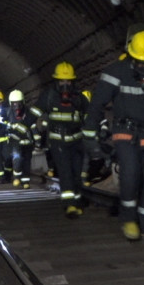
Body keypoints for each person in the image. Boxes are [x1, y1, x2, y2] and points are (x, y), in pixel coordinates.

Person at [82, 28, 144, 241]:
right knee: (131, 177)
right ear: (131, 56)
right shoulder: (116, 72)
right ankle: (129, 220)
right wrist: (91, 135)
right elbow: (97, 104)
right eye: (140, 62)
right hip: (126, 134)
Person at [31, 62, 90, 217]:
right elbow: (34, 112)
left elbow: (90, 116)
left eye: (68, 81)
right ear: (57, 81)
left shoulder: (79, 98)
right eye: (62, 81)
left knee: (77, 173)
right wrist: (21, 128)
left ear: (73, 81)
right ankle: (69, 204)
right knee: (65, 172)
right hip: (58, 141)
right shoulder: (49, 96)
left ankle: (76, 200)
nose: (65, 85)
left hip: (77, 141)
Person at [7, 90, 35, 189]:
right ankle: (16, 176)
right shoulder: (8, 112)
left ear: (23, 102)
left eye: (19, 103)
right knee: (17, 158)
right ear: (10, 103)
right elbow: (4, 124)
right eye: (14, 103)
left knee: (27, 161)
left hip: (27, 141)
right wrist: (13, 126)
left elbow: (33, 125)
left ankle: (25, 181)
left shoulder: (28, 112)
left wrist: (36, 138)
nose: (17, 106)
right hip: (15, 140)